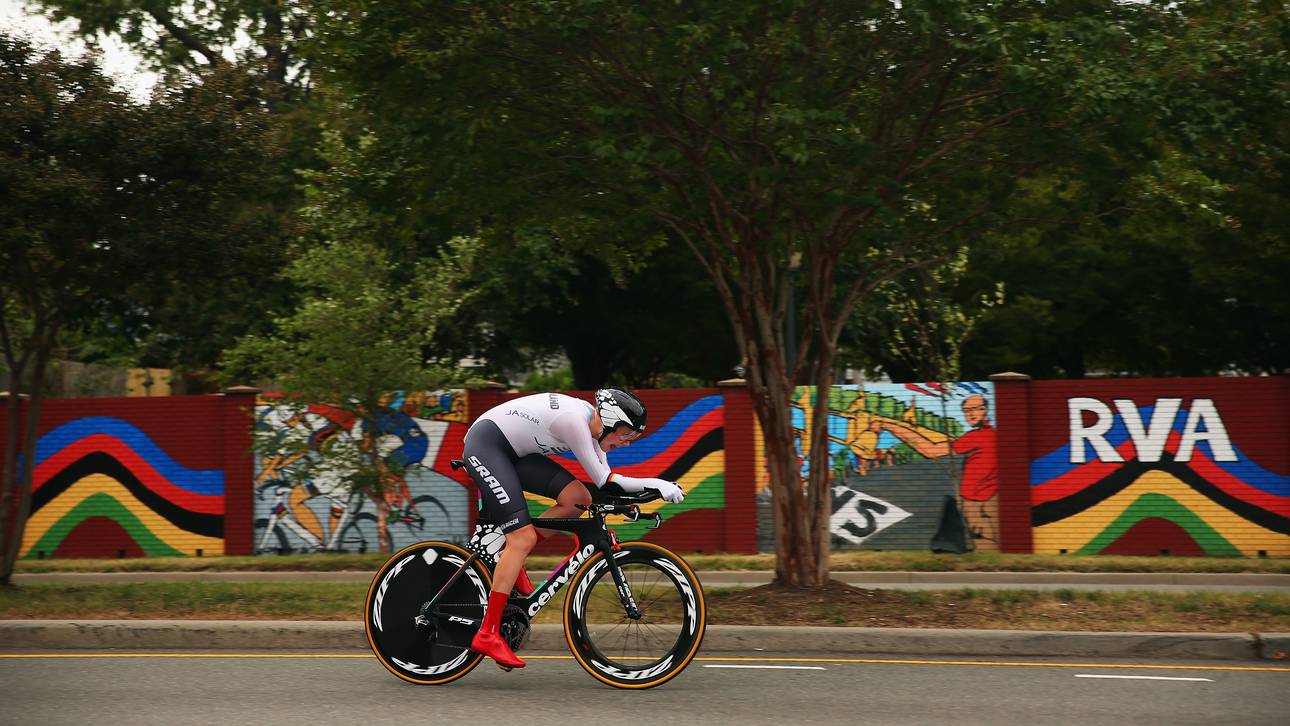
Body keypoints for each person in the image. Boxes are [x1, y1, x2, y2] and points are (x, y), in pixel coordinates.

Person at [460, 388, 686, 669]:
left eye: (633, 438)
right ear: (610, 422)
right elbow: (606, 480)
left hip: (512, 454)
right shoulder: (575, 422)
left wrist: (635, 501)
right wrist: (658, 484)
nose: (627, 443)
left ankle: (511, 557)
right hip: (486, 446)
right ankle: (487, 633)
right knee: (522, 538)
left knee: (578, 500)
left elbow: (607, 487)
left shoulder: (593, 430)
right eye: (626, 434)